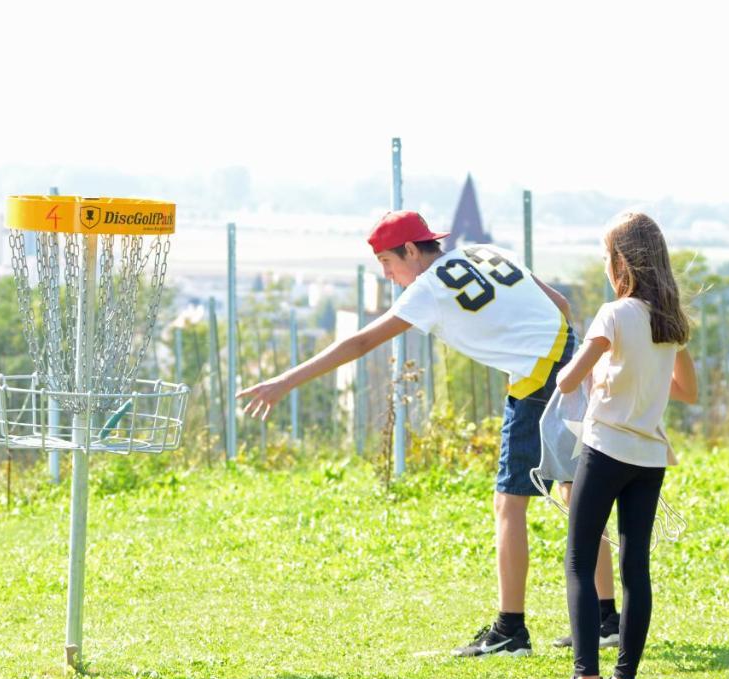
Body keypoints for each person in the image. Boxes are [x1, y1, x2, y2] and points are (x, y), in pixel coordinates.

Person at [237, 210, 615, 656]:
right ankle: (607, 618)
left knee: (508, 502)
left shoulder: (428, 288)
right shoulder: (485, 250)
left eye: (388, 263)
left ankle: (511, 630)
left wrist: (285, 383)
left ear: (413, 251)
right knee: (574, 491)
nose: (388, 275)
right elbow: (562, 306)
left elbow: (359, 344)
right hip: (568, 360)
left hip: (535, 378)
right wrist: (568, 364)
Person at [527, 211, 697, 679]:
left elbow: (565, 380)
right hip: (649, 457)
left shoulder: (614, 313)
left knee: (580, 557)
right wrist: (642, 372)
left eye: (606, 257)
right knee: (634, 566)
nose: (605, 266)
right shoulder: (670, 320)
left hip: (605, 450)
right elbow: (686, 390)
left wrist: (599, 367)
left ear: (623, 261)